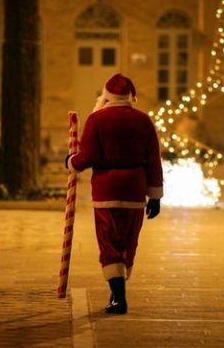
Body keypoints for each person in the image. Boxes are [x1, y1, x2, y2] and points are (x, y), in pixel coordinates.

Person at [66, 73, 163, 315]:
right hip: (134, 188)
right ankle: (119, 289)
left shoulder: (97, 119)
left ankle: (118, 296)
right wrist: (156, 196)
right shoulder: (143, 120)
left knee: (109, 241)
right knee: (129, 241)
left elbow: (87, 157)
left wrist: (71, 161)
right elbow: (153, 160)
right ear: (132, 97)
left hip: (106, 188)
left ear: (106, 97)